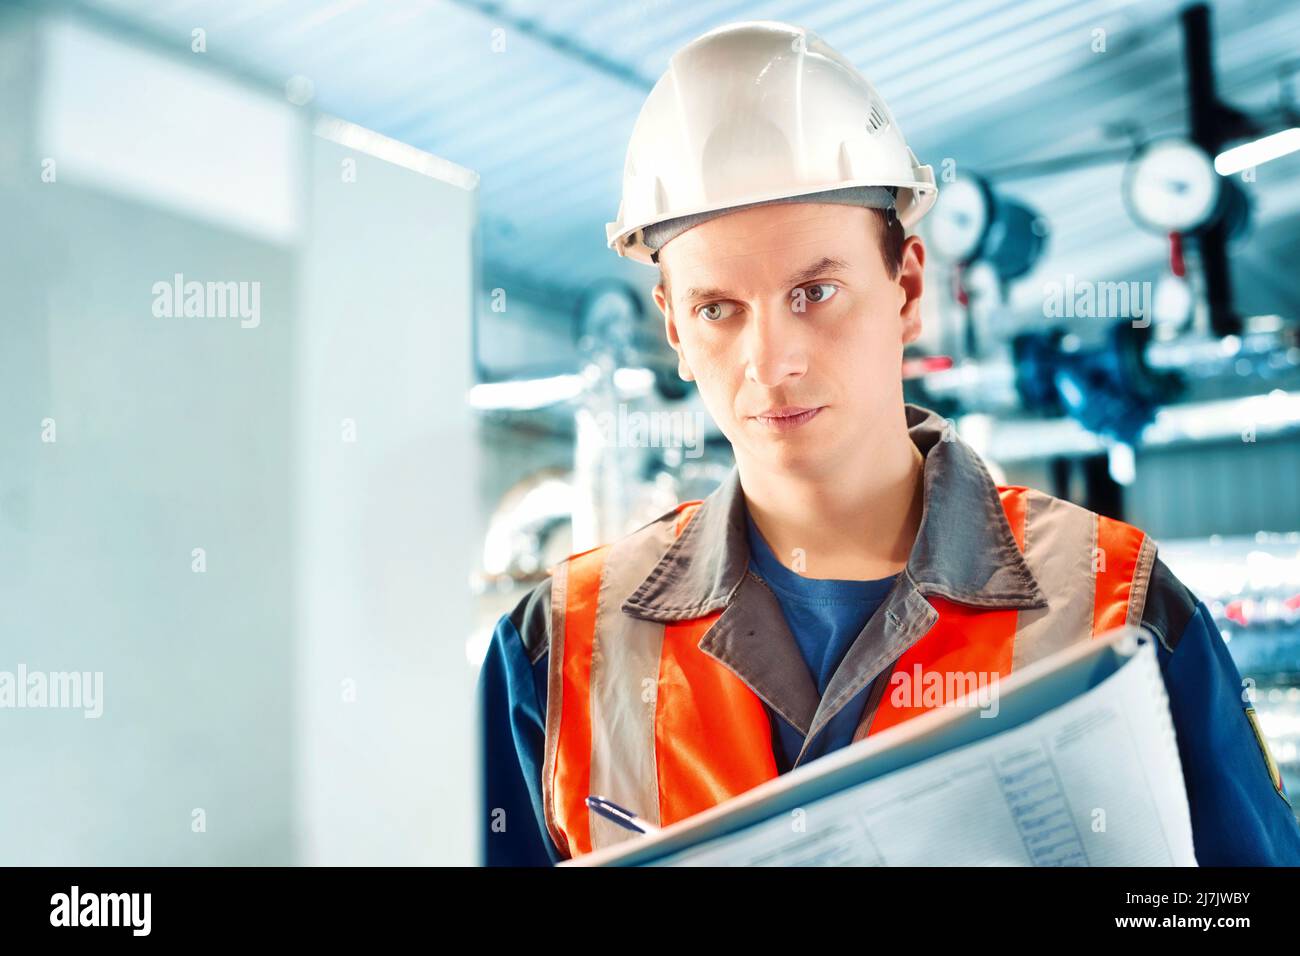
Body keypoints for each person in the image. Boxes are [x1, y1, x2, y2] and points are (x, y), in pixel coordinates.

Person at [477, 20, 1300, 866]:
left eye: (815, 291)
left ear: (907, 287)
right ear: (674, 329)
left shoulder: (1117, 605)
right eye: (718, 309)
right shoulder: (557, 650)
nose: (770, 363)